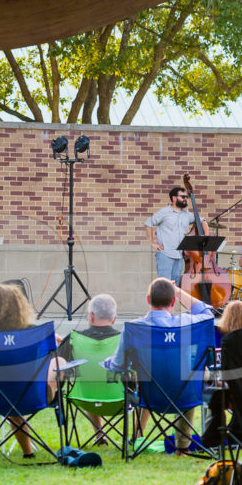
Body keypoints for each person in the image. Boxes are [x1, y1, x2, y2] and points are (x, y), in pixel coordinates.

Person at [103, 277, 214, 453]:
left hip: (150, 397)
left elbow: (119, 367)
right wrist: (178, 291)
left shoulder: (135, 328)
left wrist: (107, 362)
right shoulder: (189, 323)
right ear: (173, 301)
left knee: (168, 377)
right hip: (185, 396)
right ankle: (183, 447)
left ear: (148, 300)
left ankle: (138, 436)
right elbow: (208, 312)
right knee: (188, 378)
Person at [0, 283, 66, 458]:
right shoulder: (34, 334)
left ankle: (28, 452)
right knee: (59, 361)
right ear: (20, 307)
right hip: (33, 394)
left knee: (10, 400)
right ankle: (49, 386)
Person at [56, 294, 121, 444]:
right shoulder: (123, 340)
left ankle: (99, 435)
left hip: (84, 399)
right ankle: (135, 438)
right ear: (114, 319)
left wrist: (60, 345)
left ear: (91, 316)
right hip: (119, 402)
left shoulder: (73, 339)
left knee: (89, 380)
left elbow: (59, 367)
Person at [145, 186, 204, 285]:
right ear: (174, 198)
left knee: (175, 287)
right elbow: (148, 223)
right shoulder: (164, 212)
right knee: (165, 286)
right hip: (165, 255)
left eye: (186, 197)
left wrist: (205, 235)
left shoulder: (187, 215)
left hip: (180, 256)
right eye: (183, 197)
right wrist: (152, 243)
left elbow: (201, 221)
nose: (185, 199)